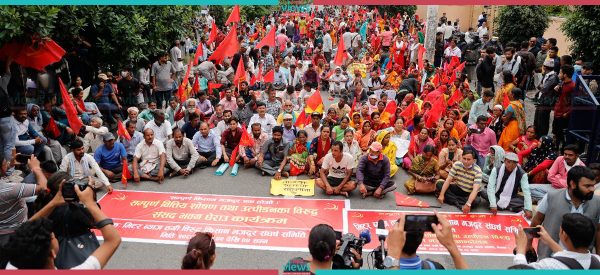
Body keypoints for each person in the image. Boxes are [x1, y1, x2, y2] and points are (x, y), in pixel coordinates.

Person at [4, 177, 121, 269]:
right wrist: (90, 202)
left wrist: (52, 203)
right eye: (52, 236)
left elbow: (24, 231)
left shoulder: (12, 266)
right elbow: (113, 239)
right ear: (53, 254)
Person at [528, 166, 600, 260]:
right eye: (587, 186)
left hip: (582, 261)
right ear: (573, 184)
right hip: (550, 257)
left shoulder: (597, 202)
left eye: (593, 185)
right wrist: (528, 243)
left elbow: (598, 231)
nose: (592, 189)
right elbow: (537, 220)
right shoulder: (552, 197)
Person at [0, 156, 47, 268]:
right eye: (4, 163)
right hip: (14, 233)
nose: (7, 163)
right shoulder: (9, 189)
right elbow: (44, 187)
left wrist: (10, 166)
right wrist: (36, 168)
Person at [514, 213, 600, 269]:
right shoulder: (597, 260)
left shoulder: (549, 265)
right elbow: (572, 258)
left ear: (564, 234)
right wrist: (549, 241)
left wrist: (521, 249)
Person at [385, 213, 468, 270]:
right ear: (420, 240)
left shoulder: (386, 267)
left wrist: (392, 255)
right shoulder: (436, 268)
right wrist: (451, 245)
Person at [482, 152, 533, 218]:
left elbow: (526, 192)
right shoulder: (496, 169)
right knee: (483, 192)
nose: (511, 165)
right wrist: (493, 204)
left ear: (517, 163)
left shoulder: (522, 174)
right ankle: (509, 207)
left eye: (514, 163)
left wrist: (529, 209)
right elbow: (491, 187)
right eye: (509, 162)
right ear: (504, 161)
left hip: (511, 198)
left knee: (525, 201)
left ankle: (501, 206)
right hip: (497, 194)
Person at [534, 59, 559, 138]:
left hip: (547, 102)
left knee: (543, 121)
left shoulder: (553, 77)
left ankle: (542, 138)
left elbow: (544, 88)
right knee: (537, 120)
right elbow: (540, 86)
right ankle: (536, 136)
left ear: (545, 67)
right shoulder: (546, 74)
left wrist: (541, 86)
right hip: (541, 99)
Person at [553, 65, 575, 151]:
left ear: (565, 74)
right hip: (557, 113)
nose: (559, 74)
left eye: (560, 72)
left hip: (563, 115)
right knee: (556, 134)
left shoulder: (572, 86)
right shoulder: (562, 83)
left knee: (563, 136)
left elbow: (575, 102)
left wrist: (567, 113)